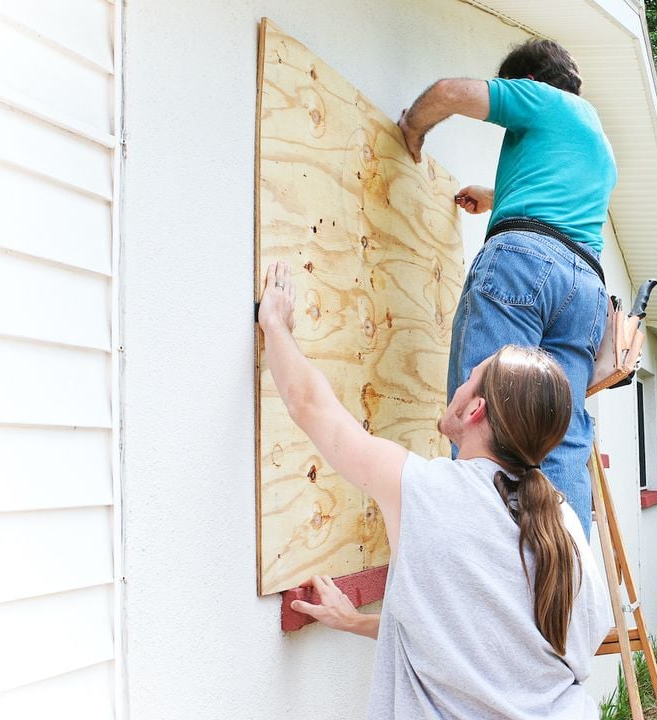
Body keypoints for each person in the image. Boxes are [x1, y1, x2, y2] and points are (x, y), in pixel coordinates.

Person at [258, 262, 611, 719]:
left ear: (475, 409)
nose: (458, 386)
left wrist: (275, 324)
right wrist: (355, 622)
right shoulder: (560, 519)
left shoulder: (425, 491)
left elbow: (310, 405)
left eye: (468, 378)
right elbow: (480, 644)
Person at [397, 38, 618, 536]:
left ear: (529, 81)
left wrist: (412, 128)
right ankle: (560, 588)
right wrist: (494, 196)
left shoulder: (542, 99)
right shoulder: (598, 144)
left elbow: (451, 92)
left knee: (486, 413)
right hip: (585, 289)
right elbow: (555, 200)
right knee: (557, 428)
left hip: (524, 266)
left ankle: (485, 571)